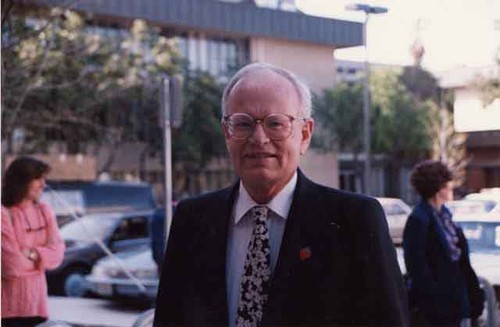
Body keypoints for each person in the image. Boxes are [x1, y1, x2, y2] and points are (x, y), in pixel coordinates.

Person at [153, 63, 409, 327]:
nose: (259, 138)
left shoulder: (354, 221)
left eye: (275, 123)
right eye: (243, 123)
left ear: (305, 134)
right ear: (227, 133)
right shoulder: (192, 220)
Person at [402, 160, 484, 326]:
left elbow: (460, 260)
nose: (451, 186)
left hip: (454, 301)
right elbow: (417, 266)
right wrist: (434, 300)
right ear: (439, 188)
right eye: (448, 183)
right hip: (435, 307)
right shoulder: (419, 219)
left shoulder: (444, 216)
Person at [1, 157, 65, 327]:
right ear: (21, 181)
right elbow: (11, 267)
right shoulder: (3, 214)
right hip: (8, 312)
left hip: (38, 308)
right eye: (38, 179)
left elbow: (58, 255)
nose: (43, 185)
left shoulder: (45, 211)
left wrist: (33, 253)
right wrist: (40, 263)